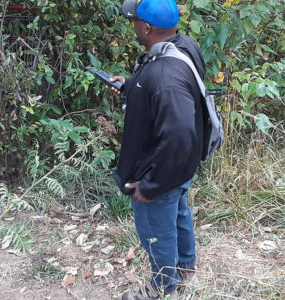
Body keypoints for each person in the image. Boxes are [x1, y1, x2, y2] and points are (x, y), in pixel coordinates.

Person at [108, 0, 206, 299]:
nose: (133, 26)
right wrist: (131, 84)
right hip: (180, 168)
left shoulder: (164, 77)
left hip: (158, 168)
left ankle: (163, 287)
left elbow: (178, 134)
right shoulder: (182, 46)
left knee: (157, 229)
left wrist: (151, 185)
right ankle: (185, 268)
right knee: (178, 213)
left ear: (147, 28)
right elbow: (170, 97)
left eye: (135, 21)